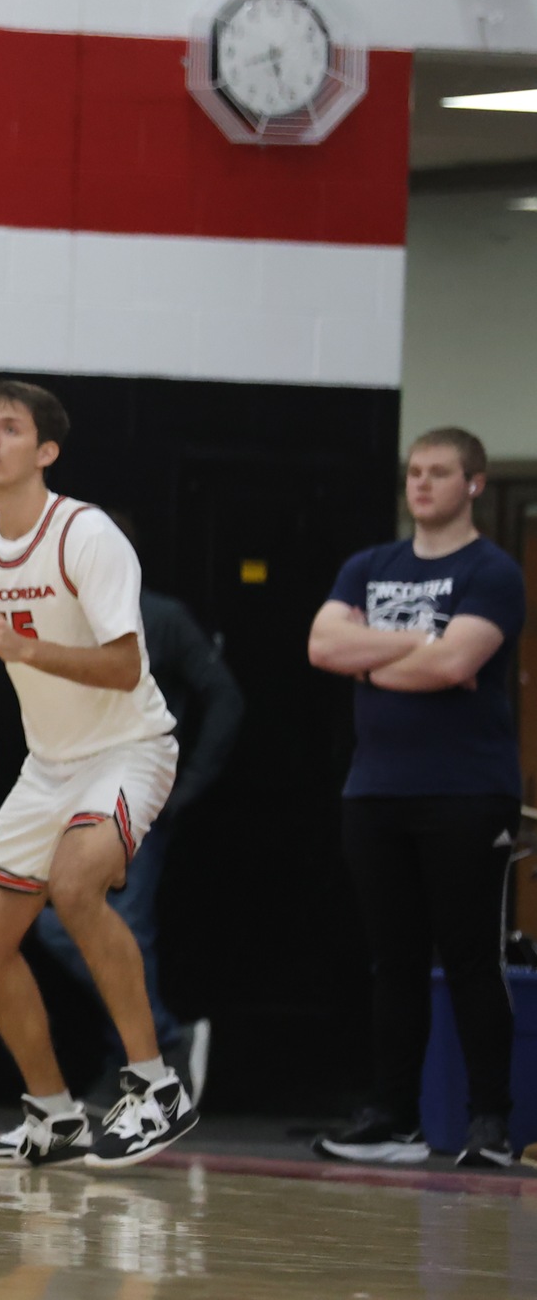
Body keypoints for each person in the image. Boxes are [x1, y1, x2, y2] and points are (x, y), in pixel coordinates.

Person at [0, 379, 194, 1169]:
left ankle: (155, 1086)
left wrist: (20, 645)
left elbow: (123, 664)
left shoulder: (86, 533)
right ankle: (53, 1113)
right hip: (49, 764)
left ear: (45, 451)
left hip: (129, 745)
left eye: (8, 427)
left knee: (76, 888)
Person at [307, 427, 526, 1170]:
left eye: (438, 472)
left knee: (469, 960)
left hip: (467, 791)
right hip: (374, 790)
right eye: (413, 471)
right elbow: (321, 646)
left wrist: (373, 654)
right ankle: (393, 1118)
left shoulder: (492, 570)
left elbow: (458, 661)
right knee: (392, 961)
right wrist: (414, 653)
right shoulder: (368, 565)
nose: (420, 483)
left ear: (472, 483)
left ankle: (488, 1122)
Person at [34, 514, 242, 1109]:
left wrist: (189, 784)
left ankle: (155, 1047)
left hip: (134, 791)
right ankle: (144, 1050)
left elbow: (224, 696)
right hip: (73, 795)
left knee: (109, 925)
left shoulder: (162, 616)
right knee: (77, 926)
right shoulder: (59, 623)